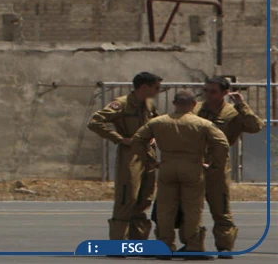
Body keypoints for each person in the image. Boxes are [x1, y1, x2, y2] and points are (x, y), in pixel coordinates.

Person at [130, 91, 229, 260]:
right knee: (193, 209)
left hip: (167, 165)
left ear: (174, 103)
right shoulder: (203, 124)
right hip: (193, 166)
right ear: (193, 104)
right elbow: (222, 143)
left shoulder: (158, 122)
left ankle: (165, 245)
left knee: (165, 209)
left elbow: (138, 139)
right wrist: (214, 164)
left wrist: (150, 160)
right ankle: (194, 246)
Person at [193, 77, 264, 256]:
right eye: (206, 90)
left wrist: (242, 105)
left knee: (221, 207)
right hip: (193, 162)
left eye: (213, 91)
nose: (208, 95)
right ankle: (193, 245)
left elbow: (255, 126)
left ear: (225, 93)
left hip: (217, 164)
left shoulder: (232, 113)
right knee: (190, 207)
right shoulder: (195, 108)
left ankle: (224, 245)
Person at [88, 71, 161, 241]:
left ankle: (139, 242)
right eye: (155, 87)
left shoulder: (149, 104)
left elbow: (157, 123)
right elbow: (95, 122)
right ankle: (119, 241)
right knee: (127, 197)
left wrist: (155, 137)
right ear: (144, 87)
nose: (158, 91)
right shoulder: (122, 104)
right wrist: (120, 139)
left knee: (144, 198)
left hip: (148, 155)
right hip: (131, 154)